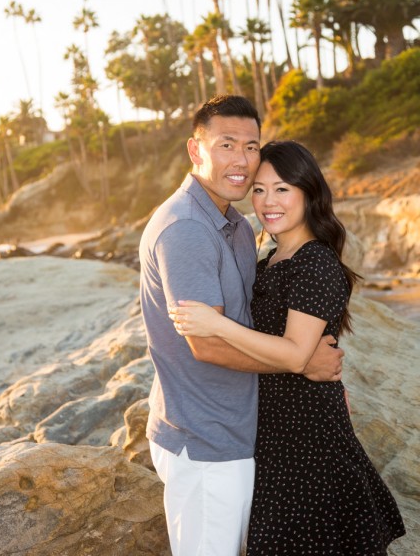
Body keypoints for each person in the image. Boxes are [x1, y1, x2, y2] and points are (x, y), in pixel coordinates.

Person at [171, 140, 405, 554]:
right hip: (273, 435)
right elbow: (294, 355)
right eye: (259, 190)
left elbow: (296, 353)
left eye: (282, 189)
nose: (267, 201)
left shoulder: (315, 261)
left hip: (308, 439)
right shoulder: (270, 261)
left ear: (308, 192)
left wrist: (216, 325)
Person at [138, 95, 344, 556]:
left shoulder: (232, 225)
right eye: (227, 144)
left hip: (234, 431)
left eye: (251, 146)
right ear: (196, 150)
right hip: (206, 438)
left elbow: (248, 318)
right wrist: (302, 364)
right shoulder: (188, 228)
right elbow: (206, 345)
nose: (243, 160)